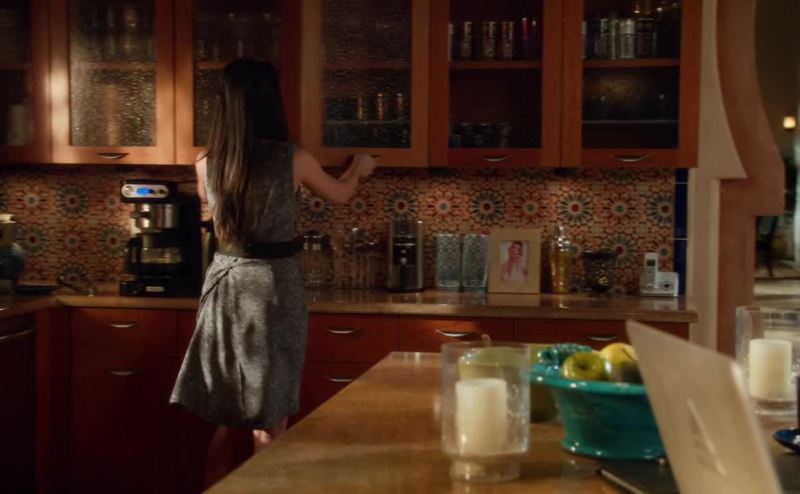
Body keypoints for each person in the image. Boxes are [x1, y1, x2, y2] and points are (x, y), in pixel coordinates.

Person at [169, 58, 376, 486]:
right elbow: (340, 194)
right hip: (271, 288)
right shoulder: (292, 158)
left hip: (224, 285)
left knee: (228, 416)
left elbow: (211, 219)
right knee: (270, 418)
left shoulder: (205, 162)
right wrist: (358, 167)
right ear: (270, 101)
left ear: (224, 104)